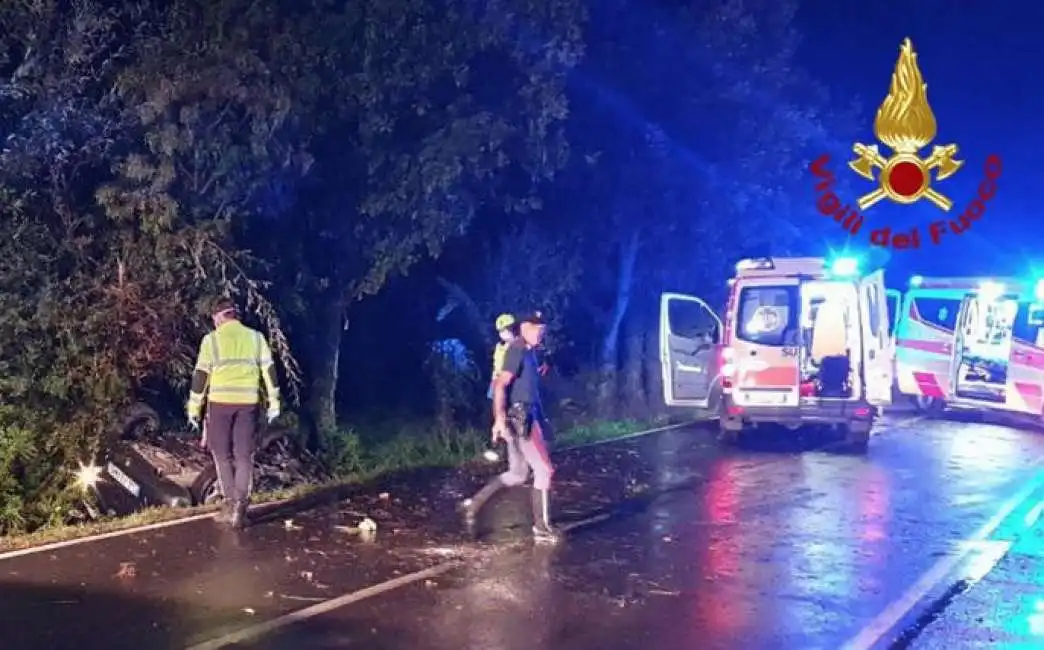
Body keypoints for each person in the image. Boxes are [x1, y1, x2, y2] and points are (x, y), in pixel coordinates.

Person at [459, 311, 560, 543]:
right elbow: (500, 385)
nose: (541, 334)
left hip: (527, 414)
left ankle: (473, 506)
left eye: (543, 330)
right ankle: (542, 527)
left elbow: (528, 388)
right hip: (521, 417)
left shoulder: (529, 352)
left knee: (518, 473)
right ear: (524, 327)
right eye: (537, 330)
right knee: (544, 470)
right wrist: (499, 418)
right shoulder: (515, 349)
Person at [186, 299, 281, 529]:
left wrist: (194, 407)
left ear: (219, 317)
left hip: (220, 405)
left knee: (222, 456)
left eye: (214, 319)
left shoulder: (211, 340)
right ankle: (241, 506)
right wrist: (274, 402)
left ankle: (229, 505)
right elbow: (269, 371)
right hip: (248, 404)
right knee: (243, 456)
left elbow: (201, 376)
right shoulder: (256, 338)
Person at [488, 313, 517, 400]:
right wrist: (494, 380)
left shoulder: (518, 346)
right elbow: (497, 365)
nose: (505, 333)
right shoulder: (499, 346)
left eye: (508, 329)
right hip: (499, 380)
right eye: (502, 331)